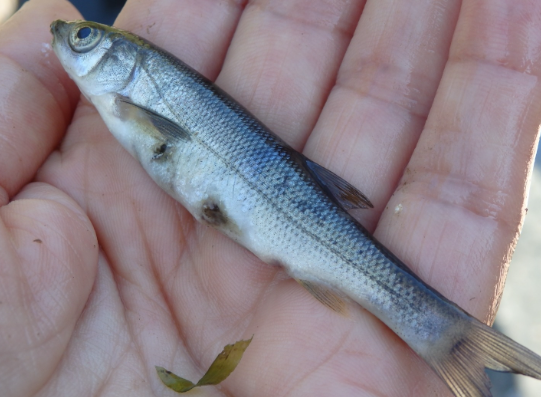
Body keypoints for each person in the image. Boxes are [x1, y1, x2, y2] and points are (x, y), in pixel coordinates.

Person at [1, 0, 540, 396]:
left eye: (84, 41)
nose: (65, 36)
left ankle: (439, 329)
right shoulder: (118, 97)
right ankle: (446, 336)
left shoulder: (121, 97)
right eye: (80, 39)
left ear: (127, 65)